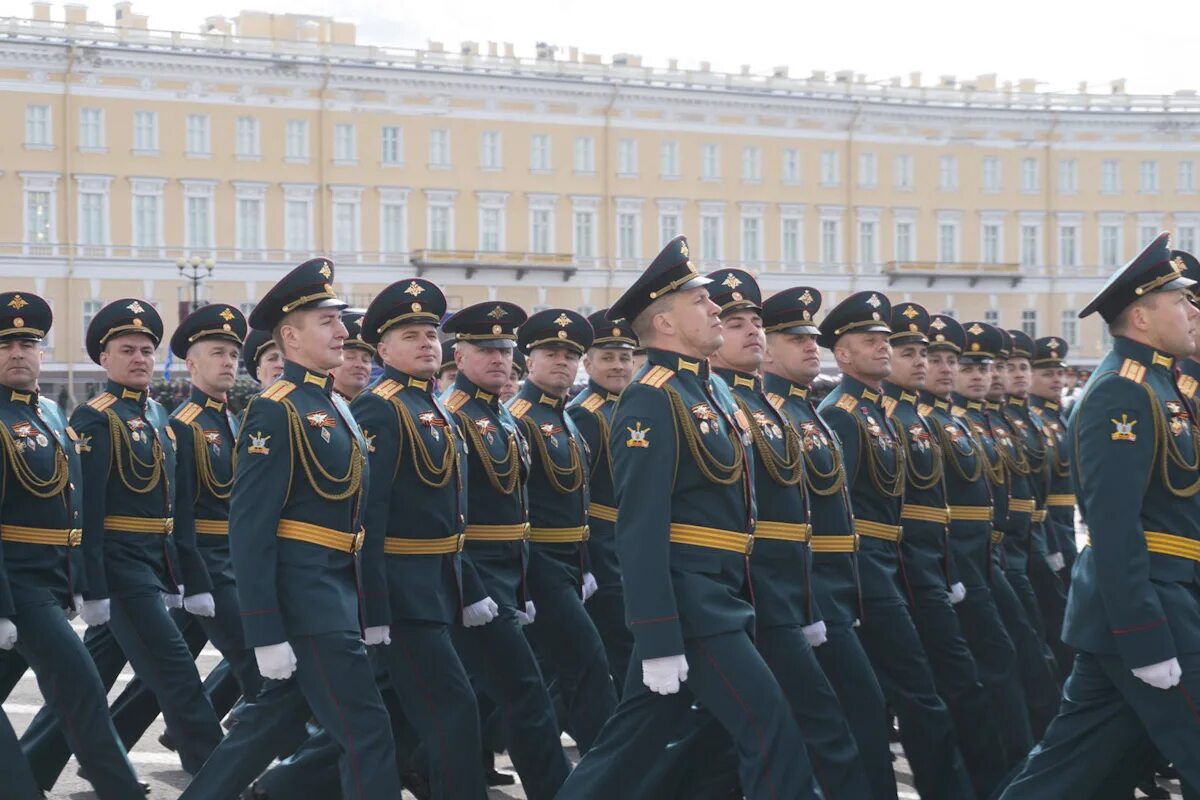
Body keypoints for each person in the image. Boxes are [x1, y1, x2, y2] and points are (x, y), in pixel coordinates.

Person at [557, 236, 816, 799]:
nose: (717, 308)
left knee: (633, 748)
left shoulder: (710, 389)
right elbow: (640, 528)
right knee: (771, 730)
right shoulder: (652, 397)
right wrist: (657, 636)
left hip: (724, 593)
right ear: (666, 324)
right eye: (701, 302)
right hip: (692, 603)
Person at [179, 258, 401, 800]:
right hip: (307, 601)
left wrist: (370, 608)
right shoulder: (276, 409)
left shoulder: (333, 406)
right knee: (367, 732)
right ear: (290, 336)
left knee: (270, 725)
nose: (343, 333)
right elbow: (250, 528)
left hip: (336, 597)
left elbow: (358, 523)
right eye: (327, 322)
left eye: (339, 321)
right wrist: (264, 631)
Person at [1000, 232, 1200, 798]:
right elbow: (1115, 529)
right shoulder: (1120, 392)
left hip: (1169, 600)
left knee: (1068, 774)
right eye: (1180, 301)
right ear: (1140, 315)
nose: (1191, 309)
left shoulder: (1165, 385)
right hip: (1150, 610)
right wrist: (1145, 636)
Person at [21, 298, 225, 789]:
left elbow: (172, 504)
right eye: (126, 350)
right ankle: (220, 775)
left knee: (88, 676)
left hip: (151, 565)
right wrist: (89, 586)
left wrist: (177, 572)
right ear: (104, 359)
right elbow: (86, 511)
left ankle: (31, 767)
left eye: (146, 350)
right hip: (116, 566)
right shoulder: (95, 418)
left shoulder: (156, 414)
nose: (138, 358)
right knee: (176, 671)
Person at [706, 269, 871, 797]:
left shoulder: (772, 408)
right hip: (757, 593)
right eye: (736, 323)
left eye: (757, 322)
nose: (752, 331)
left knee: (732, 733)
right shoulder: (722, 407)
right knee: (818, 720)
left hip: (800, 589)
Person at [89, 304, 264, 765]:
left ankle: (102, 756)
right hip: (184, 561)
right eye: (217, 353)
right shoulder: (178, 423)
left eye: (233, 354)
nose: (229, 362)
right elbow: (172, 506)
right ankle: (220, 766)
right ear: (191, 363)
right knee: (172, 669)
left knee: (155, 672)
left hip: (178, 562)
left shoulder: (219, 419)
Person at [817, 291, 974, 800]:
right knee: (912, 693)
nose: (884, 348)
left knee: (907, 692)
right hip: (869, 572)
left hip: (898, 564)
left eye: (888, 341)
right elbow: (838, 511)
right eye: (872, 341)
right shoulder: (841, 414)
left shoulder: (878, 412)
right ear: (842, 355)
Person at [0, 291, 145, 799]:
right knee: (82, 688)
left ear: (42, 352)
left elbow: (76, 508)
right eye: (5, 345)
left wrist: (82, 582)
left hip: (50, 582)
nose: (18, 352)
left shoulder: (53, 414)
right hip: (17, 585)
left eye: (27, 343)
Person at [349, 278, 486, 799]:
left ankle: (286, 782)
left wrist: (466, 588)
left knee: (400, 709)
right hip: (404, 593)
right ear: (382, 350)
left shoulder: (434, 408)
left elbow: (450, 515)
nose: (428, 343)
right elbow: (369, 515)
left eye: (431, 333)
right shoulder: (379, 407)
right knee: (453, 709)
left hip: (439, 584)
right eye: (411, 335)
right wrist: (375, 605)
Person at [762, 286, 898, 799]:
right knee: (849, 707)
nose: (808, 346)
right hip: (801, 592)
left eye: (810, 338)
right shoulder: (775, 412)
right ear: (768, 349)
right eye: (794, 338)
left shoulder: (808, 411)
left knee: (844, 708)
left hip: (835, 587)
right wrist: (811, 600)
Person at [441, 300, 572, 800]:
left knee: (471, 694)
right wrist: (474, 588)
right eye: (486, 349)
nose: (500, 358)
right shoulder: (453, 415)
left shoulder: (498, 416)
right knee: (524, 692)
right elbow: (449, 515)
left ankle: (291, 780)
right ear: (461, 353)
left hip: (505, 574)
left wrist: (520, 583)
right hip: (469, 575)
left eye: (506, 349)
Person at [882, 302, 1009, 796]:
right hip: (905, 575)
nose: (927, 364)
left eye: (929, 354)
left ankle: (995, 781)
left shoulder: (924, 419)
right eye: (911, 352)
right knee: (938, 690)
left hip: (956, 563)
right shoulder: (880, 417)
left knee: (980, 678)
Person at [920, 314, 1036, 769]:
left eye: (963, 363)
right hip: (955, 562)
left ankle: (1020, 764)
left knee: (1016, 652)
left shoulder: (956, 420)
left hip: (988, 554)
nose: (956, 371)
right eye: (942, 360)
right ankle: (1005, 770)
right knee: (987, 666)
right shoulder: (926, 421)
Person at [508, 308, 617, 752]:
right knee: (588, 664)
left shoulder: (566, 417)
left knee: (551, 676)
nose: (562, 363)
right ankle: (612, 770)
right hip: (540, 564)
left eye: (571, 355)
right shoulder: (520, 416)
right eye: (551, 353)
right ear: (529, 361)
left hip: (572, 562)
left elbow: (579, 501)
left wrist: (587, 564)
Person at [952, 322, 1061, 742]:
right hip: (978, 559)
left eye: (991, 367)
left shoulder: (996, 423)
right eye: (974, 368)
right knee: (1012, 654)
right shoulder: (960, 423)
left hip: (1011, 549)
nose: (990, 375)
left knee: (1031, 648)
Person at [566, 309, 636, 696]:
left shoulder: (630, 407)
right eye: (607, 358)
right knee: (620, 652)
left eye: (624, 357)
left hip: (631, 545)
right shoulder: (584, 414)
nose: (618, 366)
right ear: (588, 363)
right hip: (603, 547)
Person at [1003, 329, 1071, 680]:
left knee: (1054, 615)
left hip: (1051, 530)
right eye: (1049, 373)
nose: (1057, 379)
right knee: (1044, 619)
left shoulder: (1048, 421)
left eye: (1024, 367)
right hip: (1026, 536)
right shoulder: (1021, 422)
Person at [1028, 336, 1078, 585]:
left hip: (1066, 518)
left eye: (1060, 373)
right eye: (1048, 374)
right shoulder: (1033, 420)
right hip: (1049, 524)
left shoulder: (1058, 417)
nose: (1057, 380)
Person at [331, 311, 373, 401]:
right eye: (350, 357)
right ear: (331, 366)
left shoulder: (375, 407)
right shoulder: (322, 405)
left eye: (366, 360)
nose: (359, 365)